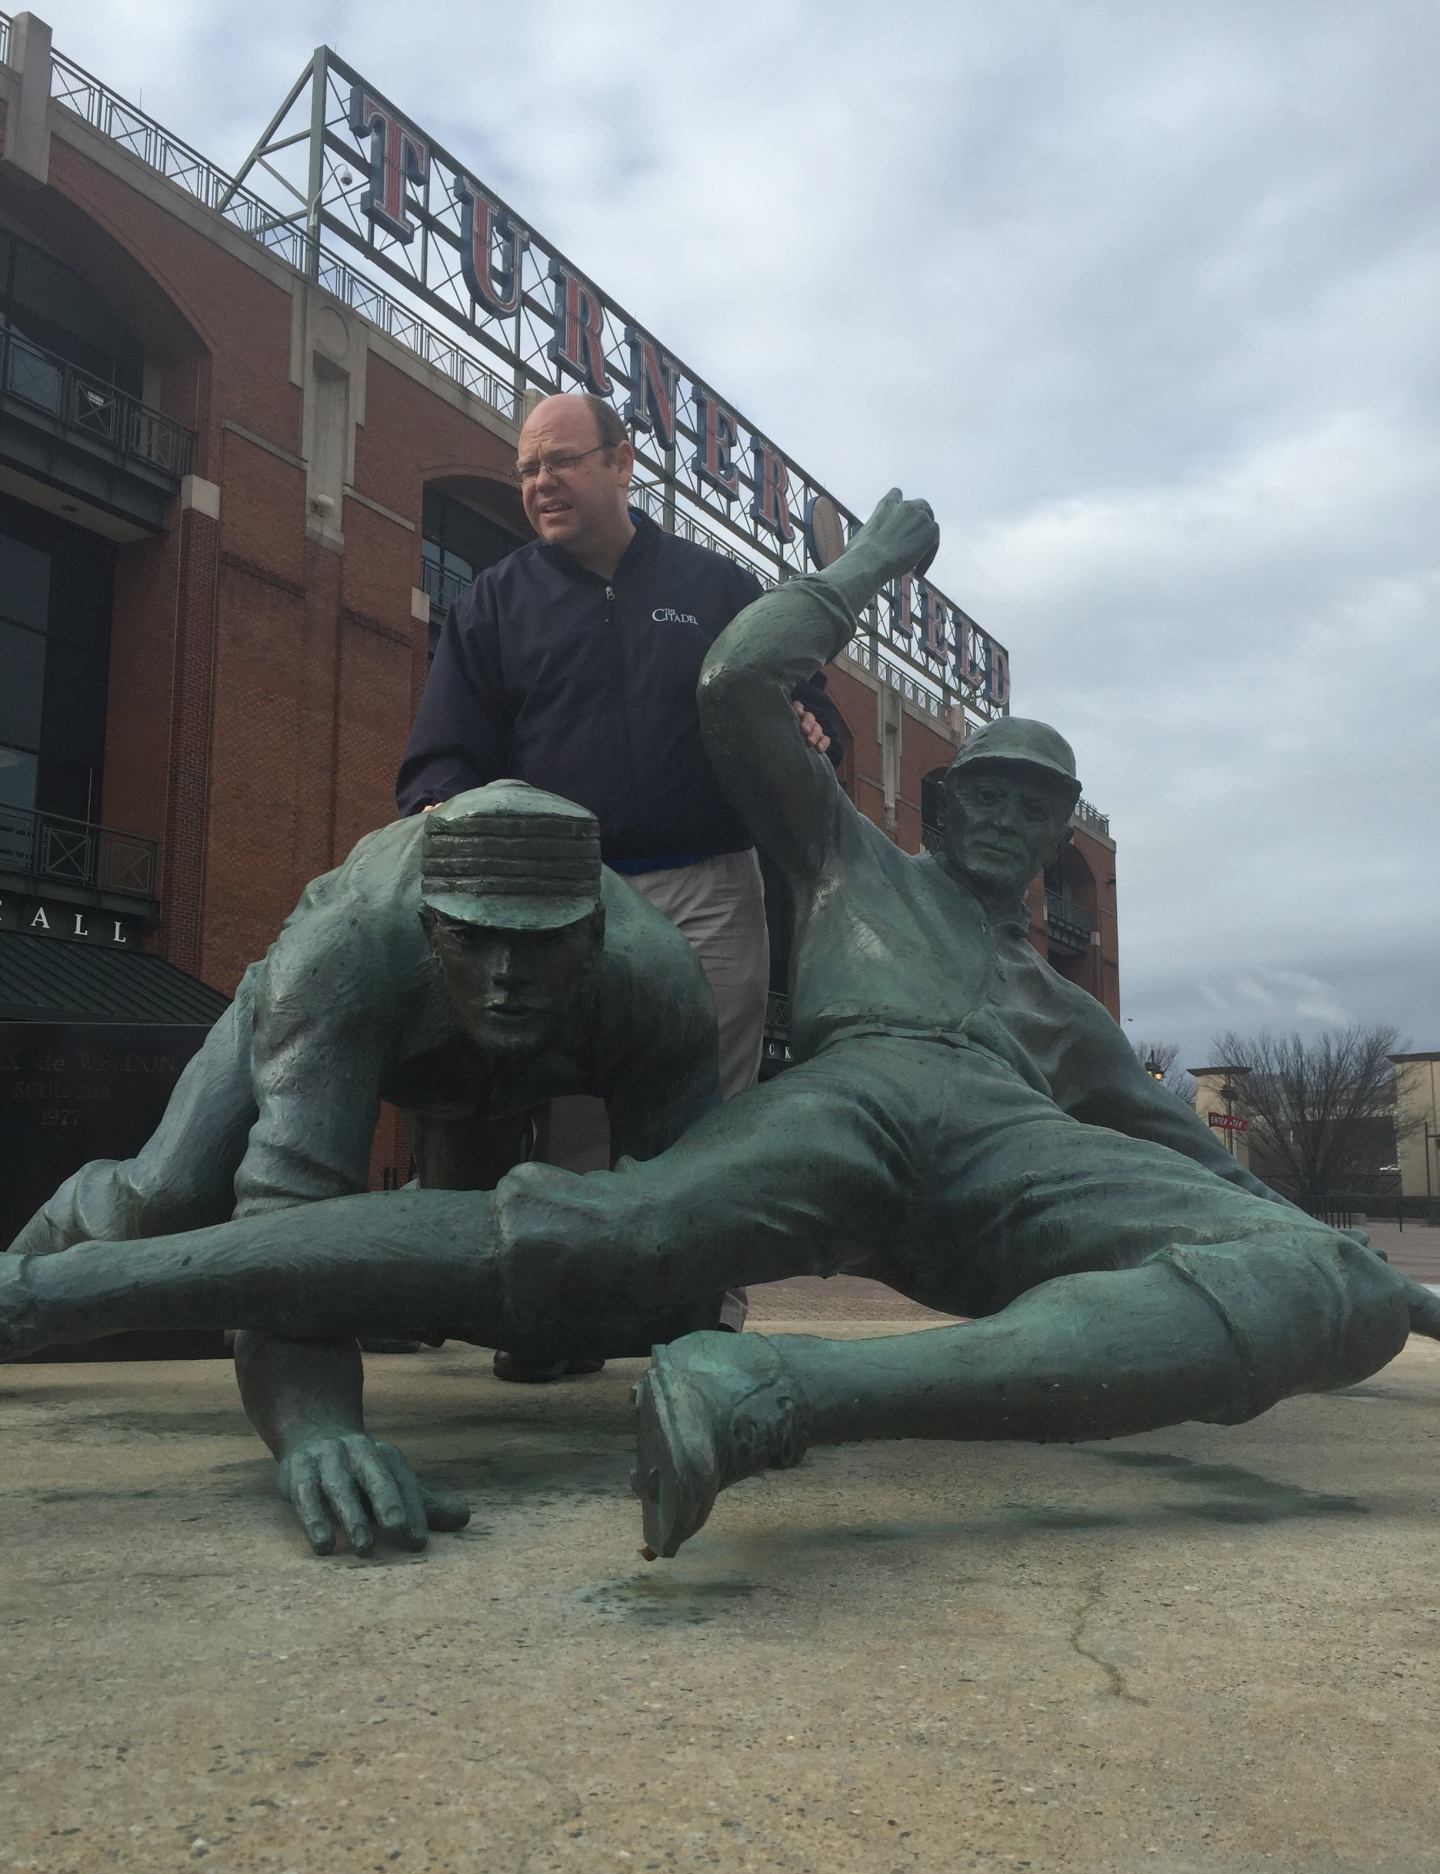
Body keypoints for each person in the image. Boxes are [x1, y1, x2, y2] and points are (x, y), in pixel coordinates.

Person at [5, 495, 1434, 1562]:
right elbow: (738, 679)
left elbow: (1179, 1147)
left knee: (1331, 1296)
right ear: (933, 809)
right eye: (980, 791)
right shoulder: (851, 861)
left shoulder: (1069, 1020)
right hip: (851, 1105)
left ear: (1063, 838)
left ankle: (788, 1390)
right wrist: (871, 564)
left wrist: (1377, 1270)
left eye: (1034, 804)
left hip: (1009, 1155)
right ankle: (49, 1292)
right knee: (603, 1237)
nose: (1003, 814)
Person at [9, 783, 731, 1555]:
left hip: (492, 1077)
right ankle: (18, 1269)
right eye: (471, 937)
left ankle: (456, 1309)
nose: (505, 975)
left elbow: (684, 1254)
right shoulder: (340, 956)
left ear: (594, 934)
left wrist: (577, 1300)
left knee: (506, 1278)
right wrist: (314, 1426)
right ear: (428, 929)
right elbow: (282, 1242)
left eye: (541, 943)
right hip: (355, 1021)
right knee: (163, 1198)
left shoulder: (658, 980)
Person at [397, 390, 841, 1103]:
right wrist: (439, 809)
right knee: (575, 1124)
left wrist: (811, 726)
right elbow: (443, 754)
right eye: (527, 470)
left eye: (561, 462)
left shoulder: (717, 584)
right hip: (565, 901)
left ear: (622, 462)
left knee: (707, 1115)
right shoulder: (492, 603)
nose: (541, 483)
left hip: (711, 892)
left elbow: (804, 700)